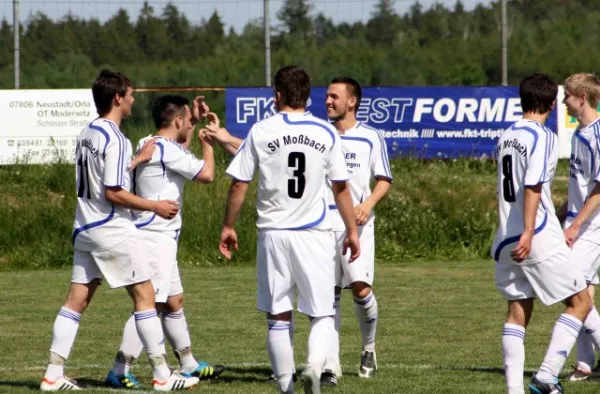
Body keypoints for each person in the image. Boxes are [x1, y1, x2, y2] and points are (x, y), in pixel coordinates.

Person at [40, 69, 199, 391]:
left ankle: (52, 375)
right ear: (117, 98)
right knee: (147, 297)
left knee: (76, 302)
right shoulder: (116, 137)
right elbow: (113, 191)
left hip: (84, 226)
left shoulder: (87, 132)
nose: (133, 99)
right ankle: (162, 376)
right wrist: (155, 206)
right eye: (130, 94)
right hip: (111, 228)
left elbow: (102, 179)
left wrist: (137, 161)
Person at [218, 65, 360, 394]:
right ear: (308, 96)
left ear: (277, 95)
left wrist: (228, 226)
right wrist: (352, 231)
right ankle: (313, 364)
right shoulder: (326, 133)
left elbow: (239, 184)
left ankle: (287, 389)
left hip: (273, 234)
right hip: (314, 234)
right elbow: (341, 188)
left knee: (278, 316)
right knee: (322, 312)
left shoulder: (261, 130)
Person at [105, 95, 225, 389]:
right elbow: (207, 174)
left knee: (173, 302)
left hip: (160, 236)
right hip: (154, 237)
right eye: (187, 118)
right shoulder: (165, 148)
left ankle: (188, 363)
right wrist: (207, 144)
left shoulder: (151, 141)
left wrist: (193, 122)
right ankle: (120, 369)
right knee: (149, 305)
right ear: (177, 121)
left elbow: (179, 149)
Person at [492, 72, 599, 394]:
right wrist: (529, 231)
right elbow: (532, 187)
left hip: (503, 239)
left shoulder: (506, 136)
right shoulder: (543, 137)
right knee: (580, 302)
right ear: (551, 104)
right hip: (535, 234)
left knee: (517, 313)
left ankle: (514, 391)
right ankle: (546, 376)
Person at [318, 77, 392, 386]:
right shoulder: (320, 136)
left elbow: (384, 178)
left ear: (352, 101)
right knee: (329, 295)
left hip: (358, 227)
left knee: (361, 291)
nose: (328, 101)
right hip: (322, 226)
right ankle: (331, 365)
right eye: (326, 96)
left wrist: (368, 204)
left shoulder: (371, 137)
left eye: (334, 96)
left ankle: (369, 349)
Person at [557, 73, 600, 382]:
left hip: (593, 227)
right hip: (578, 223)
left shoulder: (597, 134)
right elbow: (579, 183)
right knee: (583, 294)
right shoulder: (578, 134)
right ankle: (585, 364)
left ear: (582, 98)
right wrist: (564, 216)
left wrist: (576, 226)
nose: (563, 102)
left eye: (567, 97)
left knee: (572, 290)